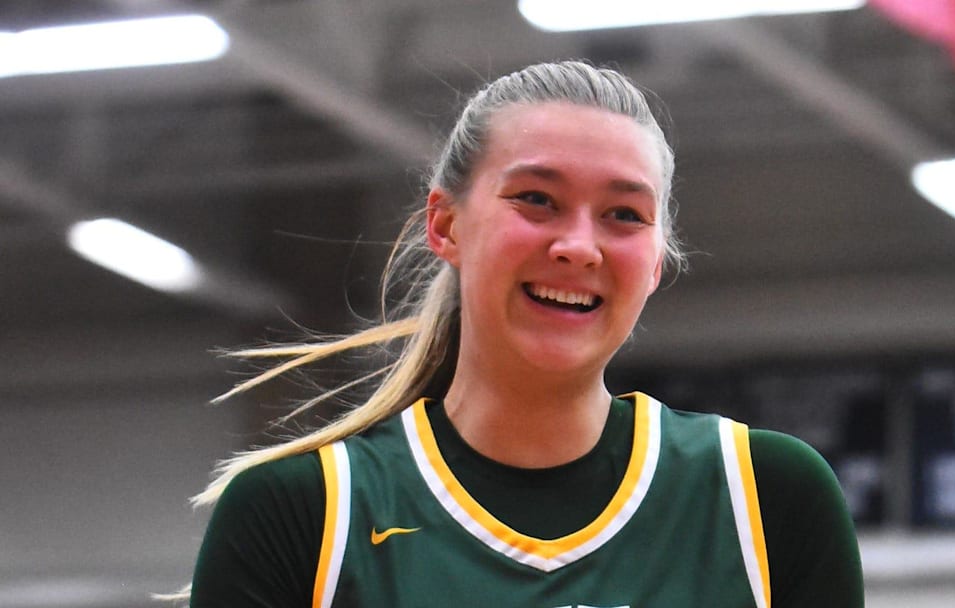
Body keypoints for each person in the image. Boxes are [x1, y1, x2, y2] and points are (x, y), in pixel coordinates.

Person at [185, 60, 863, 607]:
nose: (578, 246)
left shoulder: (767, 498)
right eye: (537, 200)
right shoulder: (301, 514)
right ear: (446, 224)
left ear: (656, 262)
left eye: (623, 214)